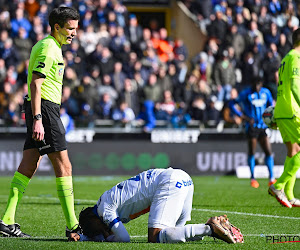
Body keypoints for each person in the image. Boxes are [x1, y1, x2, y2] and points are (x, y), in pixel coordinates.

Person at [0, 7, 81, 238]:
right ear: (57, 27)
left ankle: (6, 220)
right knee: (64, 166)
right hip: (44, 109)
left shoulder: (49, 45)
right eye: (70, 28)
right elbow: (36, 83)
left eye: (75, 28)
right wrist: (37, 118)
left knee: (29, 164)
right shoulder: (48, 48)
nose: (74, 33)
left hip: (41, 108)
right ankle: (73, 226)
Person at [68, 168, 243, 244]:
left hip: (168, 182)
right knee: (173, 235)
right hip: (183, 178)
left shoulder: (104, 210)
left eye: (97, 231)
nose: (104, 232)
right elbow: (105, 234)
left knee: (155, 237)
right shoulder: (103, 204)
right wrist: (84, 237)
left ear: (93, 219)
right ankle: (215, 227)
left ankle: (210, 229)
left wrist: (90, 236)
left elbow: (123, 239)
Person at [268, 28, 300, 208]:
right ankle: (278, 186)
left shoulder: (286, 58)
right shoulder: (296, 58)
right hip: (292, 111)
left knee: (293, 151)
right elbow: (296, 85)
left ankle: (289, 194)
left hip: (282, 110)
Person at [229, 77, 276, 188]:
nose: (257, 87)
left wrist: (272, 118)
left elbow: (271, 106)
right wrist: (243, 117)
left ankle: (272, 178)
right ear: (252, 84)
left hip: (263, 126)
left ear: (261, 84)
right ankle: (253, 178)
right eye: (255, 85)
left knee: (268, 151)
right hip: (252, 127)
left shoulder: (266, 92)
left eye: (259, 85)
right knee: (252, 152)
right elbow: (231, 104)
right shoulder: (246, 93)